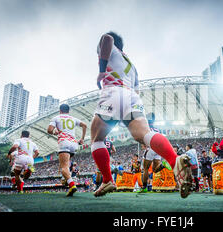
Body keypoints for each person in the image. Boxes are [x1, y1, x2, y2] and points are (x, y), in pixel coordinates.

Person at [91, 31, 192, 198]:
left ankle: (108, 179)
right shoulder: (132, 65)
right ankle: (175, 161)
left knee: (97, 139)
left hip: (113, 92)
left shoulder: (111, 47)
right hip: (131, 96)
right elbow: (136, 89)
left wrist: (102, 71)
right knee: (144, 134)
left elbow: (106, 39)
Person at [47, 103, 87, 197]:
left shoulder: (56, 118)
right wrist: (82, 139)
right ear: (69, 111)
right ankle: (66, 178)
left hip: (64, 142)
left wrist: (54, 132)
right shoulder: (73, 119)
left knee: (63, 167)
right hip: (74, 144)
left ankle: (71, 184)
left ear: (60, 110)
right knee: (67, 163)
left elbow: (49, 130)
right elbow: (84, 125)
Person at [138, 113, 172, 193]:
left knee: (145, 169)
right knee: (155, 170)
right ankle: (163, 165)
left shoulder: (145, 128)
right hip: (159, 149)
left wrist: (145, 146)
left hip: (151, 148)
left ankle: (144, 187)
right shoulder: (157, 129)